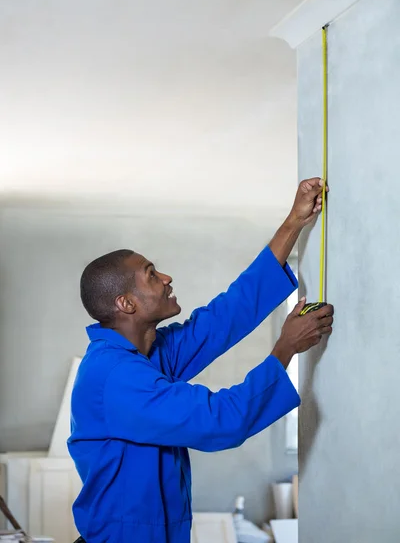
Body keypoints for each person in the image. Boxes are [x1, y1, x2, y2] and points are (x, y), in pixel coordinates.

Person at [68, 178, 334, 543]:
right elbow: (219, 420)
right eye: (151, 274)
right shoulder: (115, 377)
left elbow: (224, 318)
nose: (166, 278)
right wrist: (285, 348)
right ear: (126, 304)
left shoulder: (148, 353)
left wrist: (293, 222)